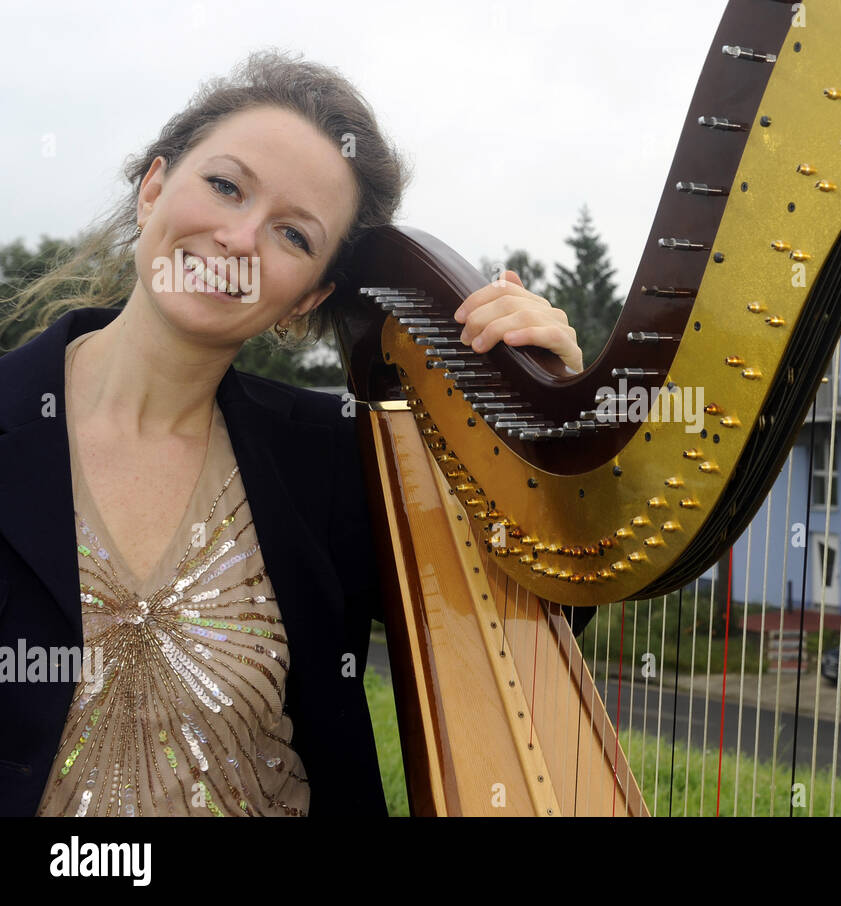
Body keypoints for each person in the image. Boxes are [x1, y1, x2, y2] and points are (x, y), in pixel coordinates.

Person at [0, 50, 582, 816]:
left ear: (308, 299)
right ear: (152, 187)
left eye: (293, 236)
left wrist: (553, 428)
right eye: (225, 186)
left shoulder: (336, 461)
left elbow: (530, 614)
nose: (240, 239)